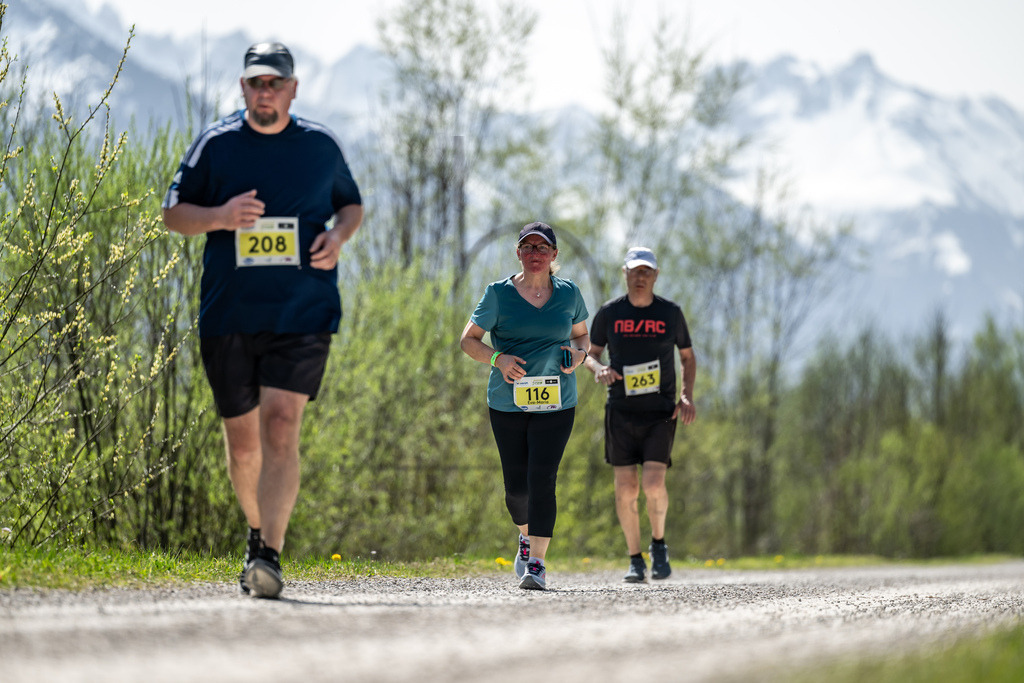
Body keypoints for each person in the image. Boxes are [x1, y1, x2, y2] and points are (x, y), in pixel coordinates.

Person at [161, 42, 364, 599]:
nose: (265, 91)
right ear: (243, 87)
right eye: (256, 82)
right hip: (229, 313)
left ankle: (270, 554)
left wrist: (339, 235)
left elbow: (351, 204)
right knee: (244, 444)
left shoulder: (320, 146)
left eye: (275, 82)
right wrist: (221, 216)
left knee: (281, 425)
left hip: (304, 309)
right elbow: (173, 214)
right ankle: (255, 531)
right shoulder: (217, 144)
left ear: (293, 88)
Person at [460, 222, 590, 590]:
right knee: (517, 489)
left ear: (554, 255)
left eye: (542, 247)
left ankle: (537, 563)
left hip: (557, 400)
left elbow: (582, 334)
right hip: (507, 402)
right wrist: (497, 359)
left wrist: (580, 356)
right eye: (528, 247)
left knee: (543, 479)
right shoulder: (498, 294)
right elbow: (468, 340)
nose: (535, 254)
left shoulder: (569, 294)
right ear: (518, 253)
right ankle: (525, 536)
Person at [583, 246, 696, 583]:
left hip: (661, 412)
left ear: (656, 276)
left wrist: (686, 396)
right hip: (620, 410)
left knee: (653, 482)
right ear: (625, 273)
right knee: (626, 487)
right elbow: (589, 355)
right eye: (636, 270)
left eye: (647, 271)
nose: (641, 276)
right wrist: (598, 370)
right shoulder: (609, 313)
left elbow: (688, 357)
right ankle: (634, 558)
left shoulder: (670, 313)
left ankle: (658, 544)